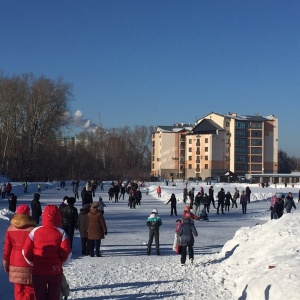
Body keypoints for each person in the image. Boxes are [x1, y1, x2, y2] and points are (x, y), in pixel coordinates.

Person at [22, 205, 72, 300]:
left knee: (39, 296)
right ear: (58, 216)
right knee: (54, 296)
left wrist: (32, 262)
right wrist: (61, 262)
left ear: (44, 216)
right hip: (55, 270)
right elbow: (67, 252)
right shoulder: (61, 232)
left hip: (38, 270)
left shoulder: (34, 231)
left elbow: (25, 251)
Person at [3, 204, 36, 300]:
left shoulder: (10, 229)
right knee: (29, 289)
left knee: (18, 289)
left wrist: (6, 263)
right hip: (28, 263)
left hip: (14, 262)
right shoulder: (33, 230)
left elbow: (7, 248)